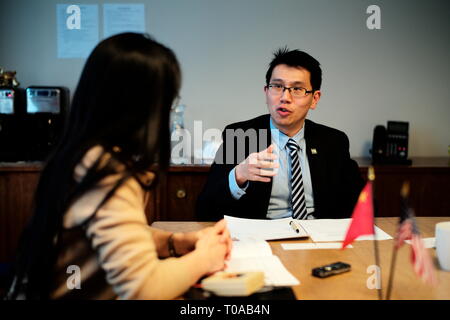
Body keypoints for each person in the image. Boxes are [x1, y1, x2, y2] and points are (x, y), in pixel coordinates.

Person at [5, 33, 231, 300]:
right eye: (168, 103)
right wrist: (205, 258)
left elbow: (114, 234)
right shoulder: (107, 173)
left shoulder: (83, 154)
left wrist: (173, 243)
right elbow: (143, 290)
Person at [197, 48, 364, 221]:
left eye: (297, 89)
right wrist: (238, 175)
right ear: (266, 92)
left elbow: (363, 204)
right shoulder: (241, 137)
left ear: (314, 99)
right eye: (277, 86)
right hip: (263, 241)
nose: (285, 97)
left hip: (318, 240)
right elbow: (204, 209)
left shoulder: (333, 142)